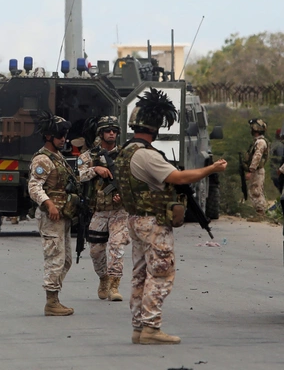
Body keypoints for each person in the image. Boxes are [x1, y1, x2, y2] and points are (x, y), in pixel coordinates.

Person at [115, 88, 227, 345]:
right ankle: (151, 329)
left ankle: (139, 327)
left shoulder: (126, 151)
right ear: (155, 126)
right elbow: (176, 178)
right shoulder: (146, 155)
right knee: (161, 273)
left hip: (136, 220)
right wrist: (211, 168)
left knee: (141, 275)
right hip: (153, 222)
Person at [27, 113, 78, 316]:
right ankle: (51, 301)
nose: (63, 139)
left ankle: (54, 295)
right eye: (59, 135)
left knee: (65, 260)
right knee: (55, 257)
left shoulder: (58, 158)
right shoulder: (43, 159)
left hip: (62, 215)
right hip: (51, 216)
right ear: (49, 136)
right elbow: (34, 186)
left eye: (64, 135)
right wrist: (49, 204)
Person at [77, 115, 128, 302]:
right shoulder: (89, 156)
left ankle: (115, 285)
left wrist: (123, 194)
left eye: (114, 130)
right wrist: (95, 170)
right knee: (96, 250)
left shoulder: (125, 156)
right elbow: (79, 176)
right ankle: (103, 278)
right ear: (101, 133)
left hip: (119, 211)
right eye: (108, 130)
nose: (112, 133)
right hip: (98, 210)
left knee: (116, 246)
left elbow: (135, 180)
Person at [245, 118, 269, 213]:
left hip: (257, 171)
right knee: (254, 190)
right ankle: (259, 212)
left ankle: (260, 213)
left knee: (256, 192)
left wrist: (251, 170)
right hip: (256, 170)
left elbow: (257, 157)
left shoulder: (260, 142)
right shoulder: (257, 141)